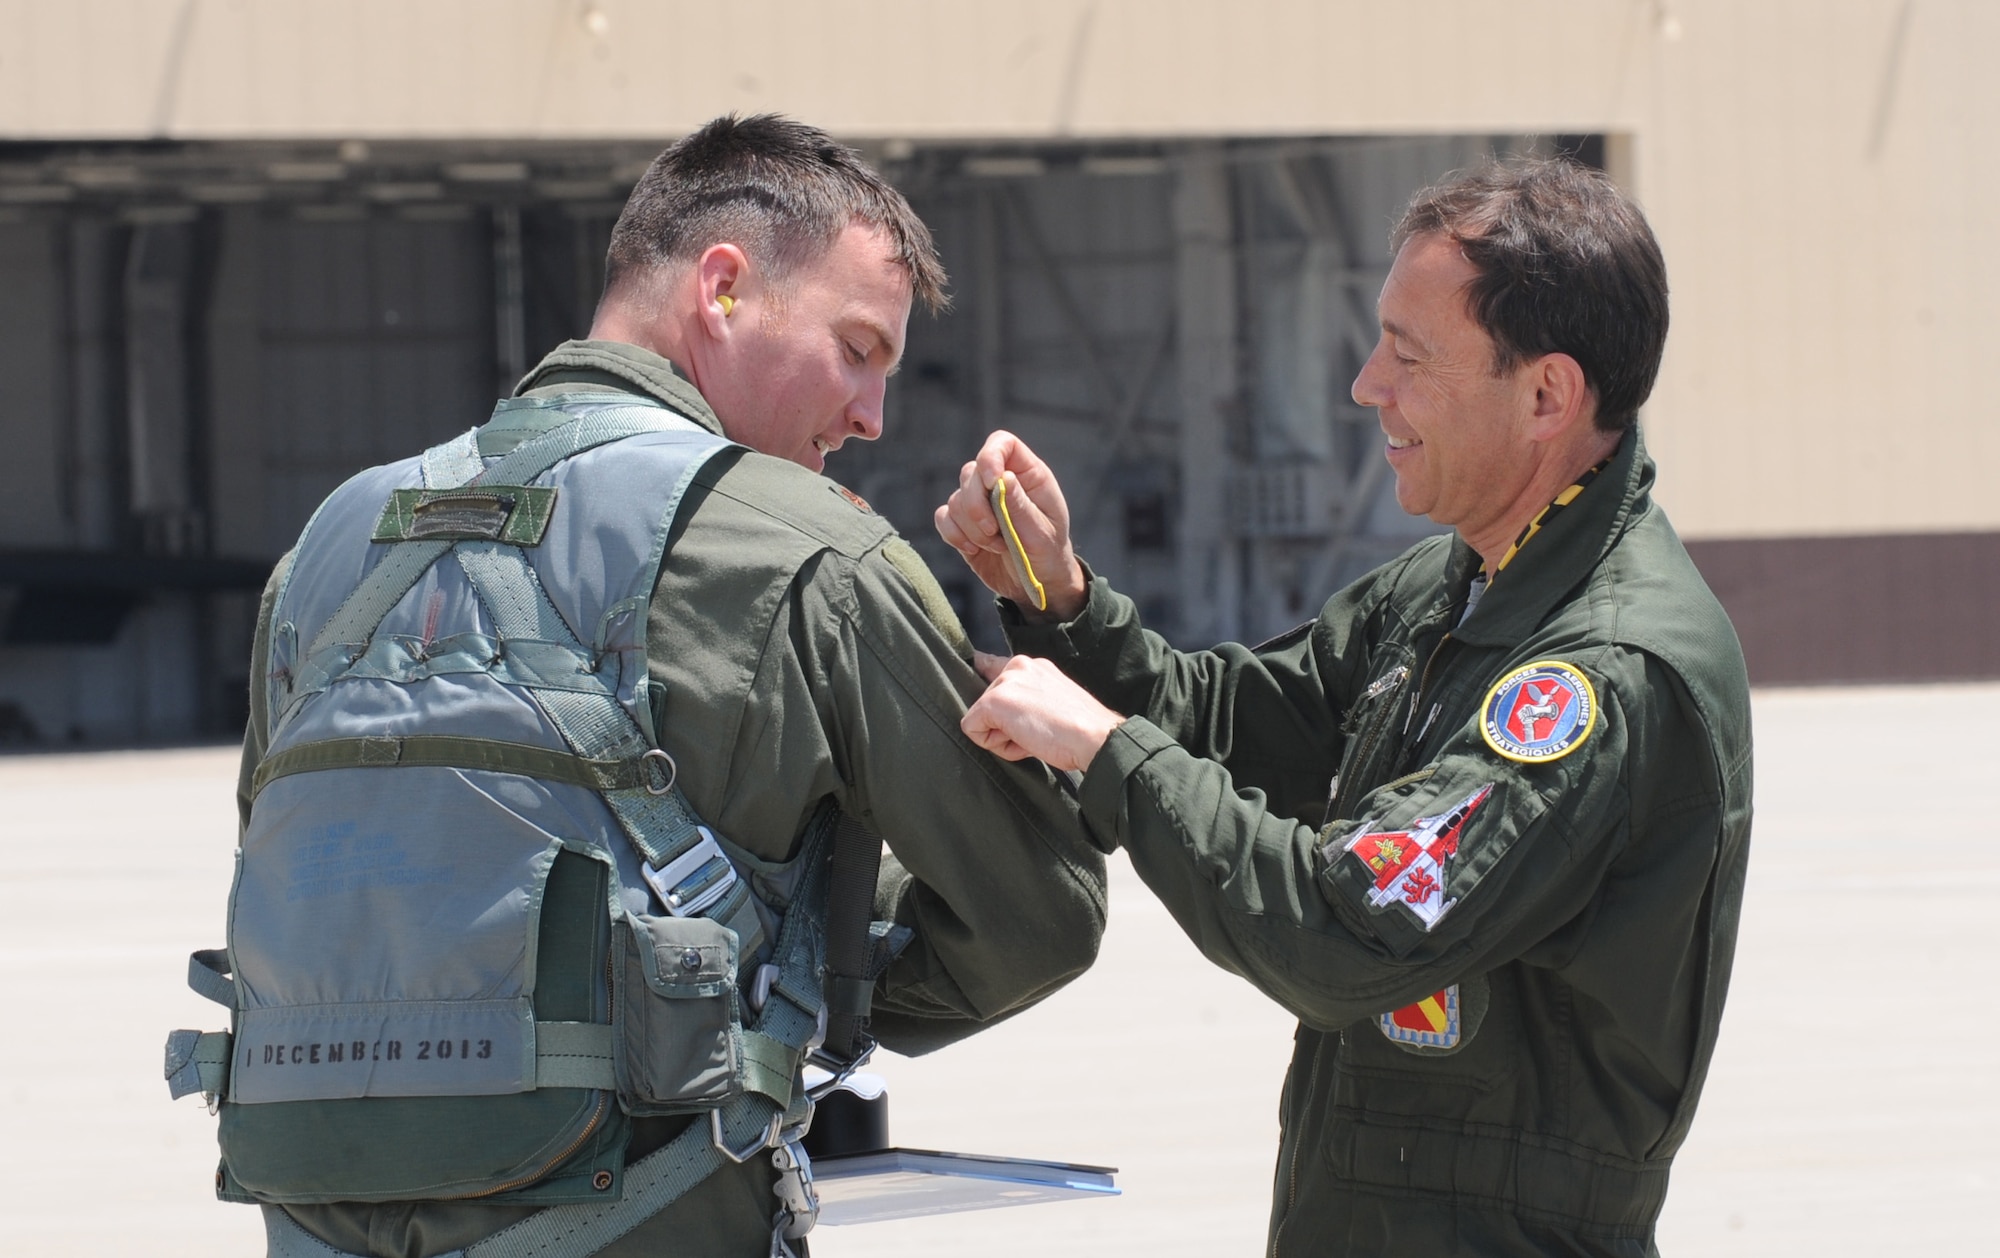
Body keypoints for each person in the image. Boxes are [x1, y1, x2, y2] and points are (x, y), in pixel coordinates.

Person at [196, 114, 1106, 1257]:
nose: (873, 416)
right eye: (861, 349)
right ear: (722, 289)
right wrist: (773, 985)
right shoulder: (811, 552)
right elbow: (1035, 917)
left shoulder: (325, 546)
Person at [937, 157, 1751, 1256]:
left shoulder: (1595, 679)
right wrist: (1060, 597)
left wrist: (1102, 752)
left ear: (1545, 395)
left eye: (1408, 356)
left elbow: (1342, 933)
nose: (1367, 384)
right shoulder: (1454, 587)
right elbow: (1224, 721)